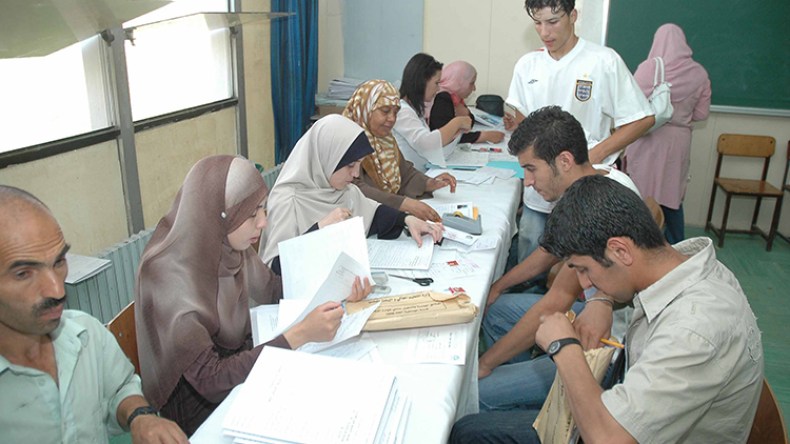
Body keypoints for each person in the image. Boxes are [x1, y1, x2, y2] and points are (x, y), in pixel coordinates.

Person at [451, 175, 764, 443]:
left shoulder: (694, 329)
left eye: (584, 269)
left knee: (470, 432)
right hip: (630, 397)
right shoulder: (677, 265)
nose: (585, 284)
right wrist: (601, 299)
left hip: (615, 432)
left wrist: (564, 347)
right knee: (473, 427)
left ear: (619, 249)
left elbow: (609, 438)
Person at [135, 155, 371, 435]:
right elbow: (212, 379)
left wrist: (341, 287)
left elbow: (274, 289)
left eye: (263, 209)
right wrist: (299, 335)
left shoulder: (227, 243)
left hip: (239, 372)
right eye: (251, 214)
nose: (263, 223)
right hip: (198, 408)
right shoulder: (168, 278)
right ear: (219, 214)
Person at [477, 106, 640, 412]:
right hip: (593, 316)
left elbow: (555, 301)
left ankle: (538, 401)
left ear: (564, 161)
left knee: (479, 393)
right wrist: (499, 285)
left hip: (607, 347)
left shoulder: (594, 208)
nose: (527, 181)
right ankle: (528, 387)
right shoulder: (592, 181)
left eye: (531, 168)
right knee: (496, 308)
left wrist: (485, 364)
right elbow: (548, 252)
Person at [0, 185, 187, 443]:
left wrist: (140, 416)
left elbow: (120, 388)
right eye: (24, 274)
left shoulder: (86, 334)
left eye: (59, 262)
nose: (56, 289)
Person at [504, 0, 655, 265]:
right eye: (537, 23)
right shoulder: (527, 65)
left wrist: (592, 154)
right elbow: (521, 118)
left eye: (553, 22)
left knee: (579, 269)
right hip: (540, 191)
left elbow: (641, 119)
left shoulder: (603, 61)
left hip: (586, 189)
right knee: (530, 258)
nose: (544, 32)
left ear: (573, 15)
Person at [261, 114, 443, 266]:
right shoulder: (287, 200)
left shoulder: (343, 190)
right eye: (350, 165)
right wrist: (320, 229)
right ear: (326, 159)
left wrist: (407, 219)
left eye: (359, 165)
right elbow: (275, 269)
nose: (356, 174)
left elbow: (373, 214)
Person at [624, 23, 711, 244]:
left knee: (640, 194)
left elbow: (631, 105)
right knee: (672, 196)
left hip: (648, 138)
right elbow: (701, 114)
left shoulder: (650, 68)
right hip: (678, 142)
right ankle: (676, 246)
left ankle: (638, 245)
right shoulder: (699, 73)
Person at [342, 79, 458, 222]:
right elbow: (353, 189)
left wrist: (429, 183)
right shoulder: (346, 140)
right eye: (385, 111)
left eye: (395, 112)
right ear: (366, 109)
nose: (392, 119)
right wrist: (403, 204)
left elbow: (404, 173)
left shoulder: (386, 140)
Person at [392, 53, 473, 171]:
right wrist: (457, 122)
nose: (438, 88)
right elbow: (426, 143)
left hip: (422, 174)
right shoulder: (402, 111)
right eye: (436, 83)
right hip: (411, 182)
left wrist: (455, 132)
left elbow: (434, 148)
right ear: (422, 81)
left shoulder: (415, 109)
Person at [428, 61, 505, 145]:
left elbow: (469, 123)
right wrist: (483, 136)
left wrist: (466, 113)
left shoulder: (455, 97)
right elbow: (445, 136)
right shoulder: (442, 98)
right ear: (458, 82)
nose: (474, 88)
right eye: (471, 83)